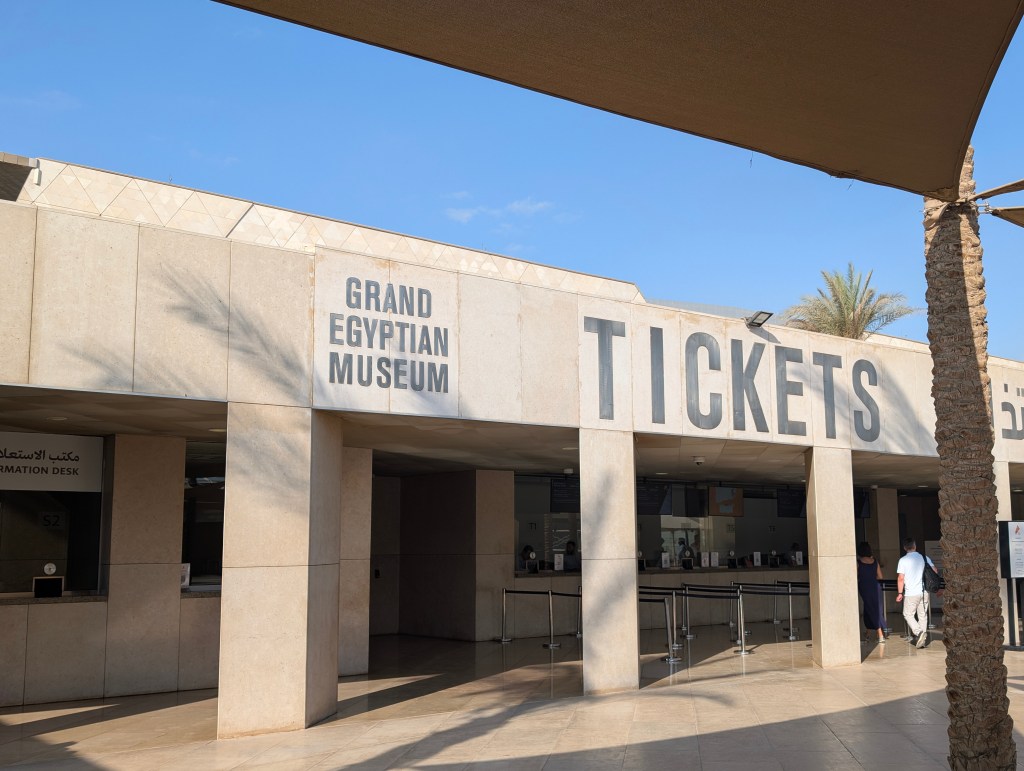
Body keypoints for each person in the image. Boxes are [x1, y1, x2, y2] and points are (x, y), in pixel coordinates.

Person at [896, 537, 930, 648]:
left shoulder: (903, 560)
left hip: (911, 593)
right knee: (922, 615)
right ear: (915, 546)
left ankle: (919, 633)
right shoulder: (924, 558)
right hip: (924, 592)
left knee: (908, 614)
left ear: (904, 548)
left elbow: (901, 578)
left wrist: (900, 593)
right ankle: (922, 642)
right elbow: (934, 570)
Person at [856, 541, 886, 644]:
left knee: (870, 608)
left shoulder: (858, 562)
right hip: (875, 587)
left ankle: (880, 634)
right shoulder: (875, 561)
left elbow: (855, 576)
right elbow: (880, 576)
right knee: (871, 608)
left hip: (864, 587)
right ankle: (868, 633)